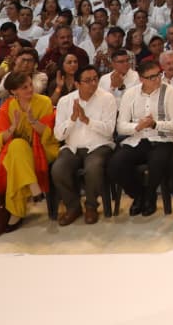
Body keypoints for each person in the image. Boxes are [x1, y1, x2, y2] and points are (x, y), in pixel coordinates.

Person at [110, 59, 173, 217]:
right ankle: (139, 195)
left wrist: (155, 124)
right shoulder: (130, 94)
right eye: (151, 77)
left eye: (158, 75)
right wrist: (137, 126)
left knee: (157, 161)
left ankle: (149, 197)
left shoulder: (170, 92)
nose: (157, 79)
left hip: (162, 139)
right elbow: (120, 126)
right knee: (115, 164)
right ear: (141, 79)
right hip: (137, 139)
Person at [52, 64, 118, 226]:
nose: (93, 83)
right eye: (87, 81)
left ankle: (91, 206)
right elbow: (58, 135)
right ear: (77, 84)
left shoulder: (107, 98)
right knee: (58, 169)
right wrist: (73, 119)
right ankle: (73, 207)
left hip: (99, 146)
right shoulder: (65, 101)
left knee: (93, 167)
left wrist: (87, 120)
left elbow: (109, 131)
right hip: (72, 147)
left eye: (95, 79)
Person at [0, 71, 60, 227]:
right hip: (20, 153)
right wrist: (12, 128)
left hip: (42, 149)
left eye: (30, 85)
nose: (30, 89)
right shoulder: (7, 107)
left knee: (16, 158)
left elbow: (49, 134)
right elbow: (0, 138)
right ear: (13, 91)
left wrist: (32, 121)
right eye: (24, 87)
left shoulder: (44, 102)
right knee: (17, 145)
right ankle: (32, 185)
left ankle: (16, 212)